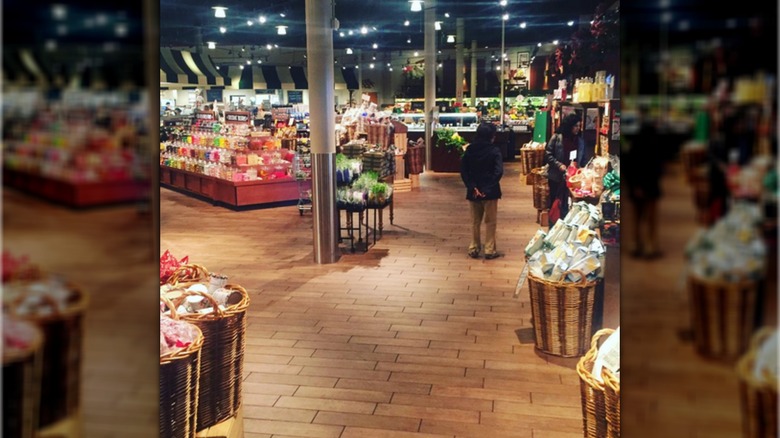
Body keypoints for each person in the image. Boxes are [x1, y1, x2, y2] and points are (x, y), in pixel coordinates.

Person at [624, 106, 664, 258]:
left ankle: (635, 244)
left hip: (637, 188)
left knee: (636, 218)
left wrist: (635, 186)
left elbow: (630, 168)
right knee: (650, 219)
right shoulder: (655, 146)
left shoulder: (635, 145)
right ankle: (650, 246)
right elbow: (657, 169)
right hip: (651, 188)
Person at [460, 122, 503, 259]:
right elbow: (498, 171)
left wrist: (473, 186)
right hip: (490, 191)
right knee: (490, 222)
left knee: (475, 221)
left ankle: (474, 247)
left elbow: (464, 170)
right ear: (491, 136)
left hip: (473, 191)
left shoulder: (470, 149)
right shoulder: (494, 150)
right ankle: (489, 249)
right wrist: (486, 187)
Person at [544, 113, 587, 224]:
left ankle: (565, 225)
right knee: (555, 202)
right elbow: (548, 154)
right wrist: (559, 165)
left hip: (573, 179)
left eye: (579, 126)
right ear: (569, 126)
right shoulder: (557, 137)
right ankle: (553, 225)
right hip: (556, 176)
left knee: (568, 204)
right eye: (575, 126)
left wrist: (581, 168)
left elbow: (583, 158)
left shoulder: (580, 141)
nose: (578, 128)